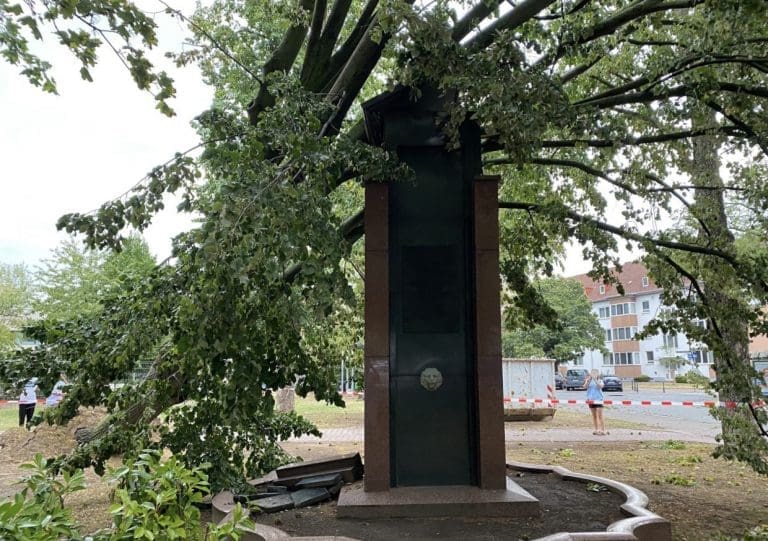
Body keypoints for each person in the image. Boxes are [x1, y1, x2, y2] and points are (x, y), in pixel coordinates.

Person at [583, 369, 607, 435]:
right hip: (590, 399)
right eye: (592, 373)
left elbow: (600, 386)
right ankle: (596, 429)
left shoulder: (600, 380)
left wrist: (595, 379)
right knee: (594, 416)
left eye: (595, 373)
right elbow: (584, 387)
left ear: (597, 374)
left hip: (599, 400)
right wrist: (589, 380)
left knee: (600, 415)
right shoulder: (588, 380)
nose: (593, 374)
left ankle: (603, 430)